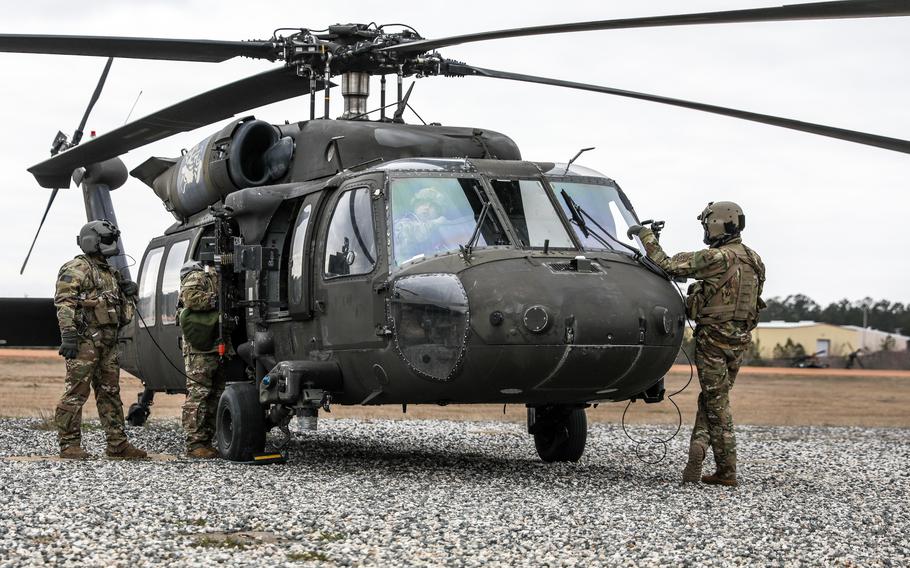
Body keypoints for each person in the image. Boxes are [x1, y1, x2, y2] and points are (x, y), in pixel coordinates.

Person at [628, 202, 765, 487]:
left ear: (716, 225)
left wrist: (646, 236)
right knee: (714, 398)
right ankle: (699, 445)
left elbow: (666, 265)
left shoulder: (715, 258)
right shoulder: (755, 259)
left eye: (706, 224)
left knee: (719, 403)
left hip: (713, 339)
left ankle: (727, 471)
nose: (704, 230)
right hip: (739, 339)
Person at [54, 220, 147, 459]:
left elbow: (124, 316)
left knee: (110, 393)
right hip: (84, 342)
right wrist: (69, 336)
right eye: (106, 239)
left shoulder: (111, 273)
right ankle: (69, 444)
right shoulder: (76, 268)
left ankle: (117, 445)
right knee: (76, 393)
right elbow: (64, 304)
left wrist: (129, 295)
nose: (111, 244)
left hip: (107, 343)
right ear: (92, 241)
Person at [177, 260, 227, 459]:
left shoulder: (214, 277)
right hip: (200, 350)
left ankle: (205, 441)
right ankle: (195, 443)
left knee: (215, 394)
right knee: (199, 394)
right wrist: (217, 300)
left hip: (215, 346)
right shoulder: (197, 275)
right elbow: (191, 298)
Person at [394, 187, 451, 262]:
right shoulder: (402, 222)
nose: (427, 207)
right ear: (415, 206)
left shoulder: (437, 232)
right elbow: (408, 235)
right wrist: (435, 223)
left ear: (438, 213)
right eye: (423, 203)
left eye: (433, 206)